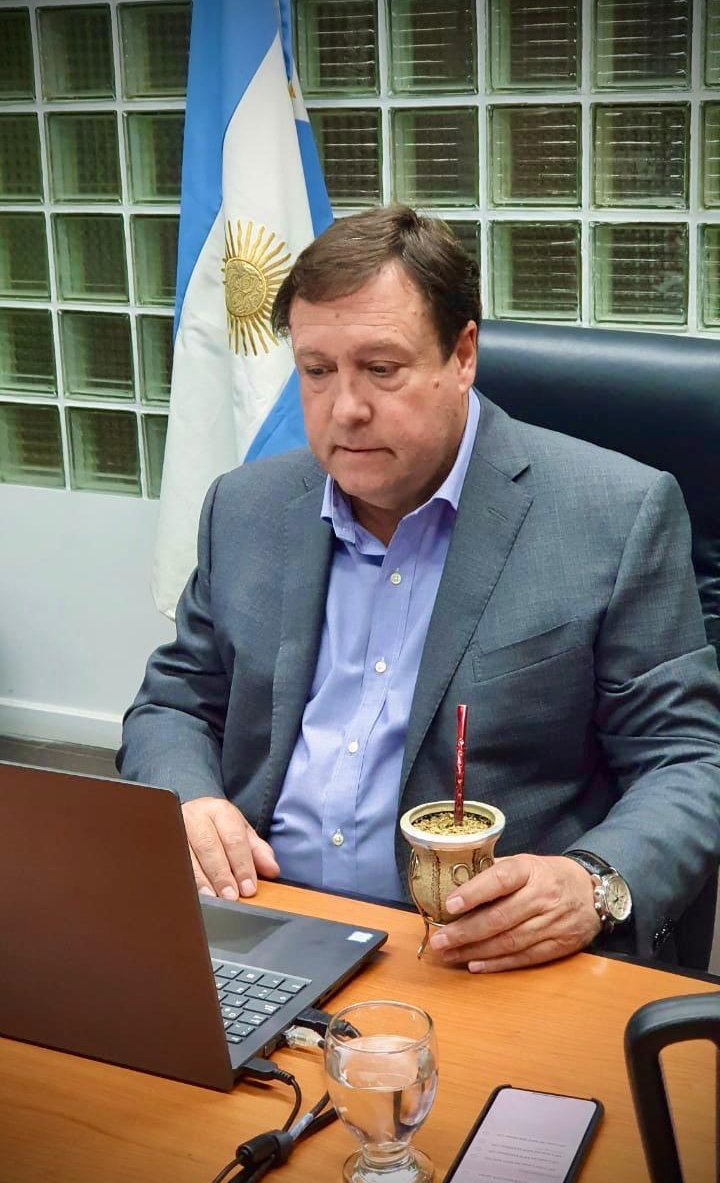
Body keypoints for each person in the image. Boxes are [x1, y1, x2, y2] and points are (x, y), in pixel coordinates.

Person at [119, 205, 720, 973]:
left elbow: (687, 758)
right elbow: (174, 705)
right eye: (317, 371)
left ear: (462, 355)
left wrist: (594, 882)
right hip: (260, 924)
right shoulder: (245, 508)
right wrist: (189, 802)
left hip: (473, 954)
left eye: (381, 368)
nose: (346, 408)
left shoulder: (614, 515)